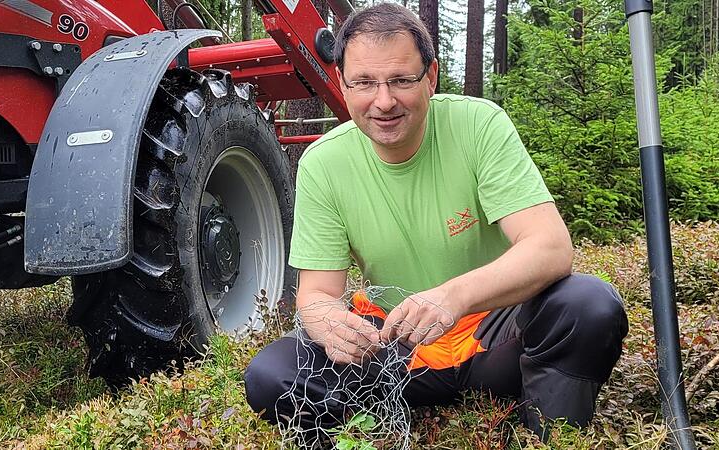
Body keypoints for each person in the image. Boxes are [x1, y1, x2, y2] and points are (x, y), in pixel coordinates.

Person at [244, 2, 628, 442]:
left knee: (588, 306)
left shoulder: (479, 125)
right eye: (365, 83)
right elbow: (316, 293)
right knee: (272, 375)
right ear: (342, 84)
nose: (383, 101)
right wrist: (330, 324)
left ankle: (550, 436)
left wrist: (452, 297)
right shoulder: (322, 164)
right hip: (395, 350)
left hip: (494, 338)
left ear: (431, 76)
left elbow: (551, 247)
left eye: (402, 80)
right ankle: (377, 426)